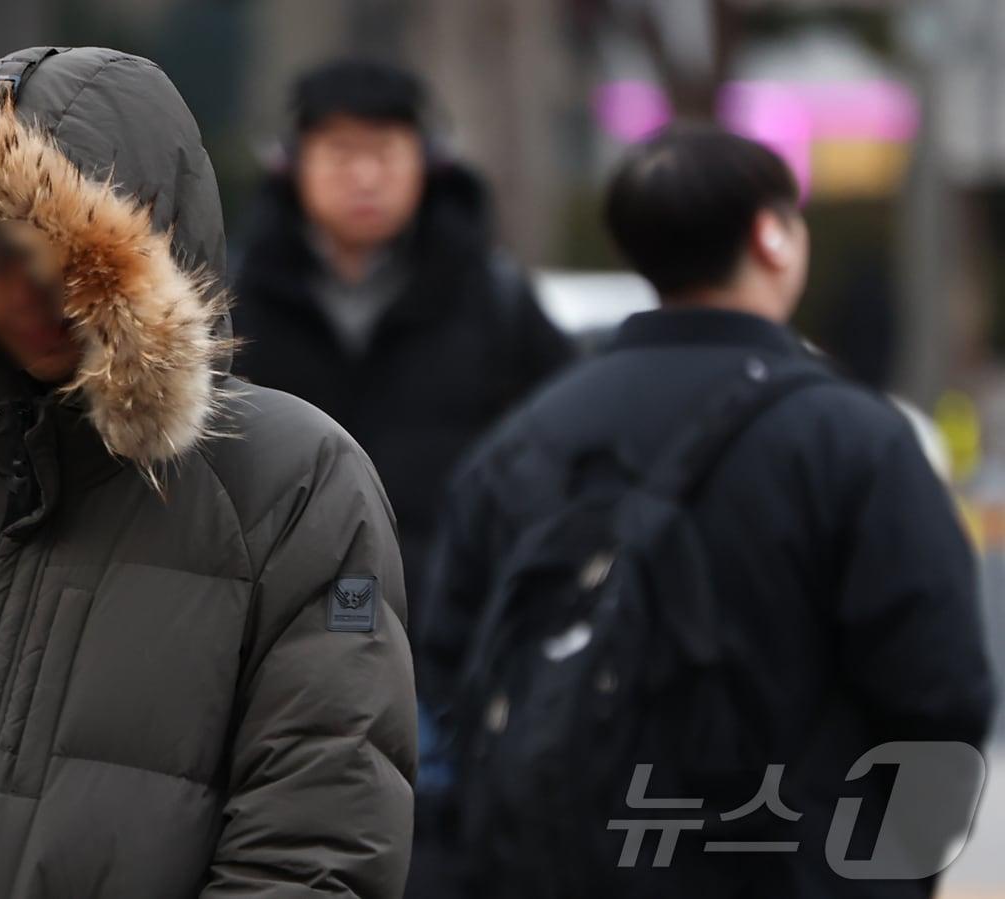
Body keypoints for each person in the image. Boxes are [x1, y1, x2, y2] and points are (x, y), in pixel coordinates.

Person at [0, 47, 416, 898]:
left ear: (146, 245)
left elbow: (318, 836)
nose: (21, 290)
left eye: (52, 249)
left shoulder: (294, 482)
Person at [417, 124, 996, 897]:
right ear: (773, 237)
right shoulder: (853, 441)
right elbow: (941, 694)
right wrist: (892, 874)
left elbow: (444, 689)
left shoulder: (520, 442)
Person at [230, 59, 573, 601]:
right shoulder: (233, 303)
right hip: (276, 620)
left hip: (450, 624)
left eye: (386, 152)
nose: (365, 177)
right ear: (294, 163)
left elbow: (561, 452)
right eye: (341, 153)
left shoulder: (493, 298)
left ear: (426, 160)